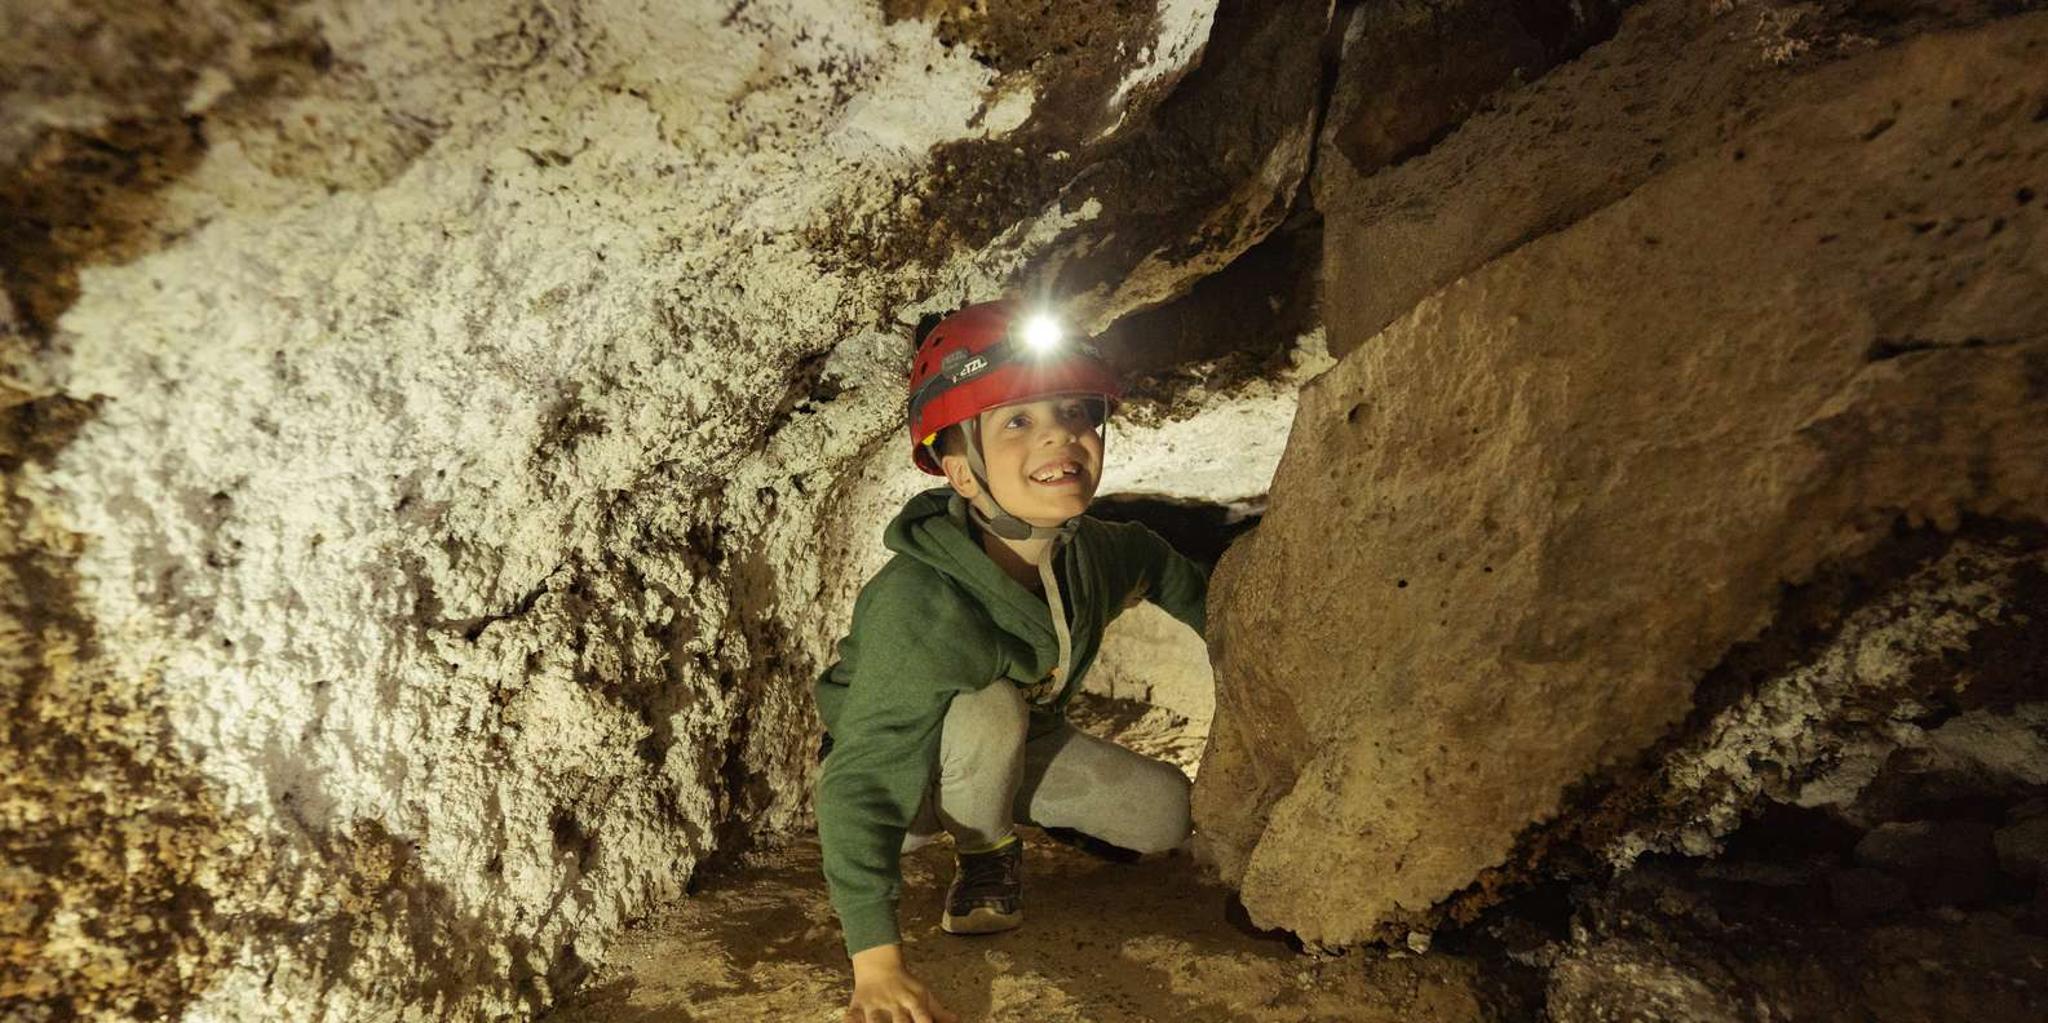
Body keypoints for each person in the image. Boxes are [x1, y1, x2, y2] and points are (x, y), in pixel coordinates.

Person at [813, 299, 1209, 1023]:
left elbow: (1167, 570)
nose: (1061, 430)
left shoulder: (1099, 552)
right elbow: (862, 779)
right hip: (906, 769)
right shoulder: (921, 604)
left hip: (1021, 731)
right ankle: (986, 854)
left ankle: (1004, 800)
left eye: (1074, 410)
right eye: (1018, 419)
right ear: (961, 470)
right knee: (987, 704)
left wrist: (1251, 645)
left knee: (1165, 814)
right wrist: (877, 963)